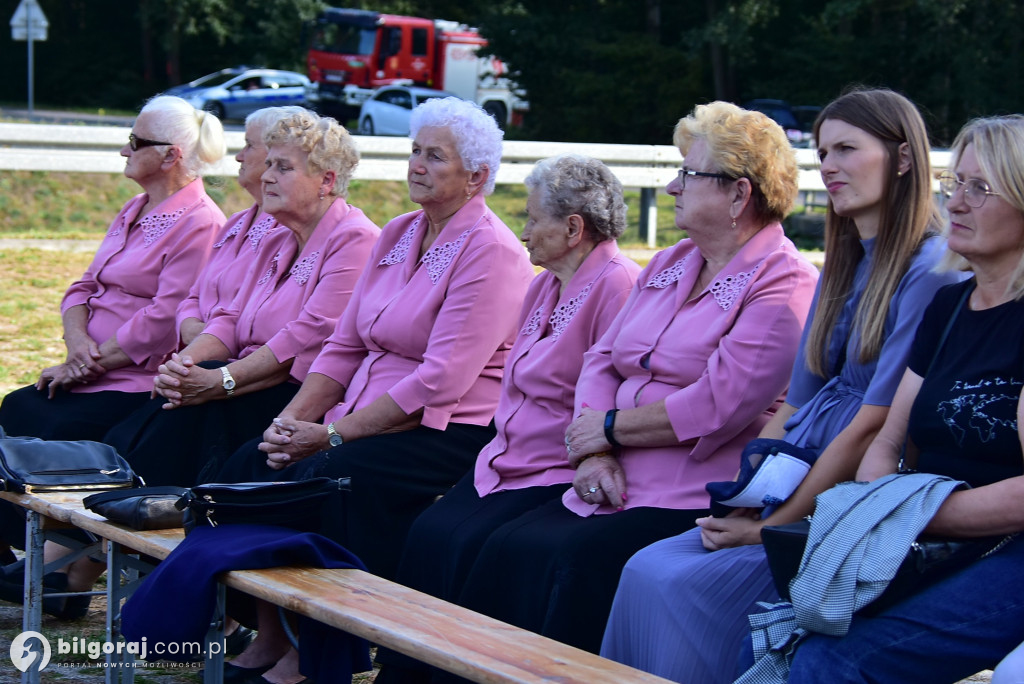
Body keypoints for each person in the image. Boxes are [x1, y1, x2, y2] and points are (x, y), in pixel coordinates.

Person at [400, 101, 819, 671]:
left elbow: (717, 403)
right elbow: (601, 359)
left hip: (685, 490)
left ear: (739, 195)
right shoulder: (673, 261)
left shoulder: (784, 283)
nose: (672, 186)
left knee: (552, 556)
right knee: (498, 546)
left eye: (688, 175)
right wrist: (594, 449)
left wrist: (608, 429)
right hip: (606, 475)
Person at [599, 89, 968, 683]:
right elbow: (796, 404)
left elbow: (872, 425)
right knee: (647, 566)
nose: (828, 165)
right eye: (823, 151)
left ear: (903, 158)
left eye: (847, 148)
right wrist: (747, 493)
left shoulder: (929, 269)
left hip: (849, 483)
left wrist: (773, 527)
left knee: (672, 583)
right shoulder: (845, 259)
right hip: (797, 470)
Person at [217, 96, 534, 684]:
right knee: (252, 463)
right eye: (415, 151)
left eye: (434, 156)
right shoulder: (398, 231)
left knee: (328, 483)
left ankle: (319, 649)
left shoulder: (492, 251)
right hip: (360, 413)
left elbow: (441, 379)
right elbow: (343, 344)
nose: (416, 164)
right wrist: (290, 423)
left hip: (445, 429)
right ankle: (269, 630)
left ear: (477, 177)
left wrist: (330, 434)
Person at [373, 153, 642, 684]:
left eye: (532, 218)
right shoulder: (543, 284)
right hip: (502, 458)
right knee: (431, 531)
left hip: (554, 467)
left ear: (572, 227)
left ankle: (471, 673)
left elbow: (607, 389)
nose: (522, 230)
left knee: (489, 547)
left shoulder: (617, 284)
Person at [780, 114, 1024, 684]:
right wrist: (882, 508)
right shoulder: (950, 307)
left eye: (980, 188)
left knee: (831, 663)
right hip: (924, 536)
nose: (957, 203)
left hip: (1007, 551)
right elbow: (888, 439)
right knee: (774, 643)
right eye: (955, 183)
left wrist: (909, 515)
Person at [104, 110, 380, 487]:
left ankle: (131, 522)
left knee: (180, 423)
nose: (266, 176)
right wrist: (184, 365)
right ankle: (110, 518)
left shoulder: (355, 239)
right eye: (268, 164)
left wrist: (221, 381)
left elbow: (305, 336)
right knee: (152, 418)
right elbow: (230, 318)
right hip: (243, 381)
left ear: (326, 181)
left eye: (282, 167)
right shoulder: (280, 235)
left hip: (298, 397)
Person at [0, 95, 226, 441]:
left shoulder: (201, 223)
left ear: (170, 155)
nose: (125, 150)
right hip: (89, 370)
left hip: (133, 383)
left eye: (136, 143)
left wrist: (83, 366)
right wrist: (76, 345)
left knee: (40, 425)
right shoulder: (134, 207)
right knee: (16, 409)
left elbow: (165, 320)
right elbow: (84, 287)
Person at [175, 106, 303, 348]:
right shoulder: (235, 222)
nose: (239, 156)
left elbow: (255, 318)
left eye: (249, 145)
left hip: (232, 361)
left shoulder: (289, 230)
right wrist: (189, 326)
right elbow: (193, 295)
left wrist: (205, 341)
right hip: (198, 352)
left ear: (276, 154)